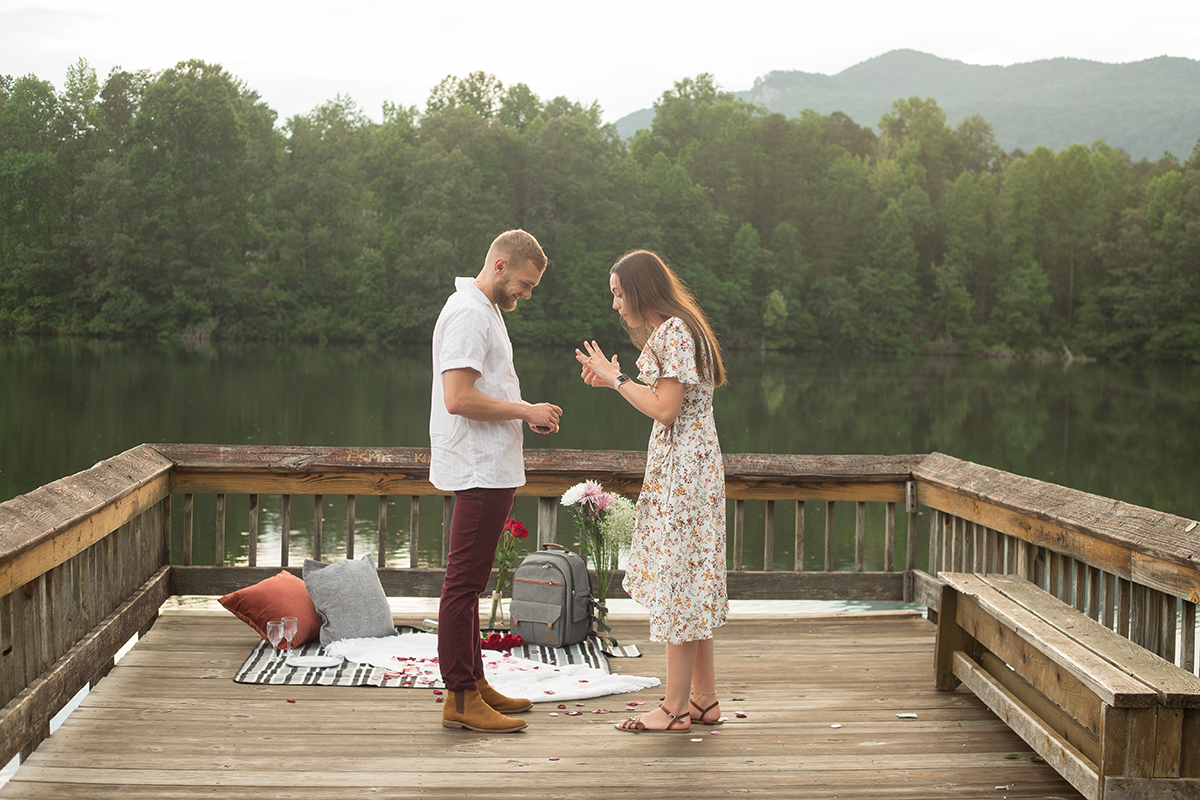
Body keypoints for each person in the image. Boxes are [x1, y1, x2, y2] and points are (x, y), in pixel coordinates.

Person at [575, 249, 728, 733]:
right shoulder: (683, 329)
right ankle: (703, 699)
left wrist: (616, 378)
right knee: (691, 584)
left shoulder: (674, 332)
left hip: (684, 475)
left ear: (641, 291)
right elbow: (666, 401)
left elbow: (665, 409)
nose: (616, 305)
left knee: (679, 586)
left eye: (620, 294)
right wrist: (611, 382)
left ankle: (674, 708)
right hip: (691, 470)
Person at [430, 229, 563, 733]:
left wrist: (523, 414)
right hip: (479, 468)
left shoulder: (483, 310)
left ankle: (474, 683)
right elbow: (458, 397)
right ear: (501, 264)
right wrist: (525, 410)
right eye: (525, 284)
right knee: (462, 585)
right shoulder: (468, 313)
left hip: (491, 467)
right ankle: (460, 698)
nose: (526, 295)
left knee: (472, 583)